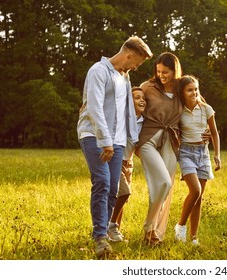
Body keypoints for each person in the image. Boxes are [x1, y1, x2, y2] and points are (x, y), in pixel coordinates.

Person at [77, 36, 152, 258]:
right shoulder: (98, 71)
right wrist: (105, 140)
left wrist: (130, 138)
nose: (136, 67)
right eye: (137, 62)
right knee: (102, 181)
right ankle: (100, 236)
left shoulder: (124, 77)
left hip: (117, 141)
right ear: (128, 55)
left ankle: (105, 230)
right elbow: (94, 107)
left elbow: (127, 111)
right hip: (94, 135)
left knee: (113, 188)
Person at [135, 52, 183, 245]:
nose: (162, 75)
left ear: (175, 71)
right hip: (148, 139)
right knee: (162, 182)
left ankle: (155, 234)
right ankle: (149, 228)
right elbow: (130, 103)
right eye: (159, 71)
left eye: (166, 72)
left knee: (165, 188)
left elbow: (199, 104)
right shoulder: (148, 87)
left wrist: (205, 128)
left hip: (171, 140)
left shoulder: (182, 87)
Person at [174, 75, 221, 246]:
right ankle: (180, 226)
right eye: (189, 90)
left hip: (203, 154)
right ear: (182, 92)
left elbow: (214, 133)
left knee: (199, 197)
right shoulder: (178, 110)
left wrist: (217, 155)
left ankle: (194, 237)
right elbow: (173, 131)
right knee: (195, 190)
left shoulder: (206, 109)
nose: (194, 92)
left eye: (196, 89)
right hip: (186, 152)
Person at [107, 87, 146, 242]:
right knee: (124, 192)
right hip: (115, 160)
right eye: (137, 97)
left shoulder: (144, 121)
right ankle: (111, 226)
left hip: (128, 162)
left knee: (121, 199)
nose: (141, 100)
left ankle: (115, 232)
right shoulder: (122, 117)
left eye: (143, 98)